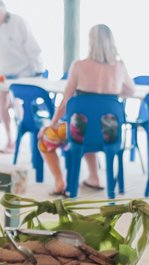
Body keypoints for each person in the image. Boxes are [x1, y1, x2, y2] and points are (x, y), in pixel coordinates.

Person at [38, 24, 135, 196]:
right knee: (93, 123)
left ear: (90, 42)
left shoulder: (78, 66)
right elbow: (131, 91)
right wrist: (111, 93)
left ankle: (60, 182)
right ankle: (93, 178)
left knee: (46, 139)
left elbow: (65, 101)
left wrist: (51, 125)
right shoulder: (119, 66)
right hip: (109, 134)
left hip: (79, 134)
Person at [0, 0, 43, 152]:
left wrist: (38, 70)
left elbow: (32, 47)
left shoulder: (18, 22)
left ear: (0, 12)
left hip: (23, 73)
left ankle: (19, 136)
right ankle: (10, 138)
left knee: (17, 102)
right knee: (2, 103)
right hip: (3, 74)